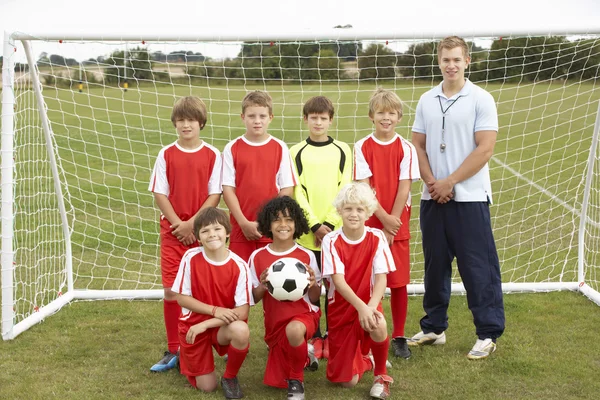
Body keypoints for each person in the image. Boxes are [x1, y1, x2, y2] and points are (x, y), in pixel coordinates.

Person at [410, 35, 505, 360]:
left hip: (470, 199)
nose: (451, 65)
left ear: (467, 61)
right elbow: (418, 146)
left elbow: (485, 148)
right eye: (445, 59)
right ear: (439, 62)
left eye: (456, 59)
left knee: (477, 267)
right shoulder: (426, 99)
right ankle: (434, 327)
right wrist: (433, 183)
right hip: (432, 197)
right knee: (435, 266)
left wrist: (450, 181)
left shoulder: (481, 98)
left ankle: (487, 333)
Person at [148, 96, 221, 372]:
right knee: (171, 290)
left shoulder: (213, 154)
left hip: (204, 232)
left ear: (201, 122)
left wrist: (194, 224)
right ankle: (173, 348)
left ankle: (206, 341)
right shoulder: (166, 153)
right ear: (175, 123)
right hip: (173, 230)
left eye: (191, 120)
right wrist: (180, 223)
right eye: (181, 120)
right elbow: (159, 192)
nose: (186, 124)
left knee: (204, 287)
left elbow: (215, 193)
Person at [354, 88, 420, 359]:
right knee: (371, 281)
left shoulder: (406, 148)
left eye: (391, 113)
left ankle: (399, 335)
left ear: (399, 118)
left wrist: (392, 225)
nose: (385, 118)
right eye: (380, 112)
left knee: (398, 282)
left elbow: (404, 186)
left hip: (396, 225)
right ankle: (371, 332)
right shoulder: (361, 146)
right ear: (372, 116)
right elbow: (364, 187)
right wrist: (382, 220)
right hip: (370, 224)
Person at [289, 96, 352, 360]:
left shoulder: (343, 150)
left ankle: (334, 335)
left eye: (323, 118)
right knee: (310, 286)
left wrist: (328, 224)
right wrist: (314, 225)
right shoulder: (295, 152)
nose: (318, 122)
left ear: (330, 120)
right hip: (307, 235)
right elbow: (296, 191)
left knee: (336, 288)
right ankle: (314, 335)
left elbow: (345, 187)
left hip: (336, 233)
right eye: (313, 117)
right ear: (305, 119)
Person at [321, 182, 395, 400]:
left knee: (378, 321)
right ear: (339, 210)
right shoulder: (331, 240)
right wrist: (361, 308)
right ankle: (367, 358)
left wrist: (370, 308)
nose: (354, 214)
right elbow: (339, 281)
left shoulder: (376, 237)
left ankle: (381, 375)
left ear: (368, 212)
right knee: (346, 382)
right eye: (348, 208)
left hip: (369, 303)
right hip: (342, 310)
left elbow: (381, 278)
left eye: (359, 209)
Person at [172, 207, 252, 399]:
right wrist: (214, 310)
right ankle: (184, 357)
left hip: (218, 326)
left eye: (217, 229)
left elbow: (242, 311)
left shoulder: (240, 265)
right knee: (207, 387)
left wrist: (208, 322)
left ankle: (230, 378)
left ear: (227, 233)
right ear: (198, 237)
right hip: (193, 327)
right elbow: (181, 298)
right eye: (205, 231)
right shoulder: (190, 258)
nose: (212, 234)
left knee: (241, 330)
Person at [249, 196, 322, 400]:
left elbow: (315, 298)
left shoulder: (306, 256)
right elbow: (253, 299)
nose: (283, 225)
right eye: (277, 220)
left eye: (289, 220)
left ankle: (297, 381)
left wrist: (314, 284)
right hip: (275, 322)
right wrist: (263, 286)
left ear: (296, 223)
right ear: (268, 225)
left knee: (294, 329)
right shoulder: (257, 257)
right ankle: (305, 357)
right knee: (276, 379)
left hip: (304, 316)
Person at [222, 90, 297, 262]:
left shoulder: (280, 147)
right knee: (241, 281)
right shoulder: (232, 148)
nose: (257, 121)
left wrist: (267, 220)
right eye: (251, 116)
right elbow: (227, 189)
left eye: (262, 116)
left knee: (271, 279)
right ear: (243, 117)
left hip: (271, 228)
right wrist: (243, 222)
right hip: (240, 228)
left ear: (270, 117)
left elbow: (286, 189)